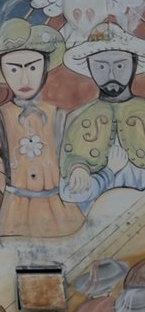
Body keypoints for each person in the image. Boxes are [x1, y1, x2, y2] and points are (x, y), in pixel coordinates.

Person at [0, 19, 81, 237]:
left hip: (59, 205)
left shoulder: (59, 116)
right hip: (17, 207)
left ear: (44, 68)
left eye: (32, 67)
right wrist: (9, 184)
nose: (24, 78)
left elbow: (73, 153)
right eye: (14, 69)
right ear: (2, 72)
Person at [59, 22, 145, 205]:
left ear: (134, 64)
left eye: (120, 66)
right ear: (90, 67)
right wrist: (97, 172)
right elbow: (70, 194)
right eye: (101, 67)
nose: (111, 75)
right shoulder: (77, 118)